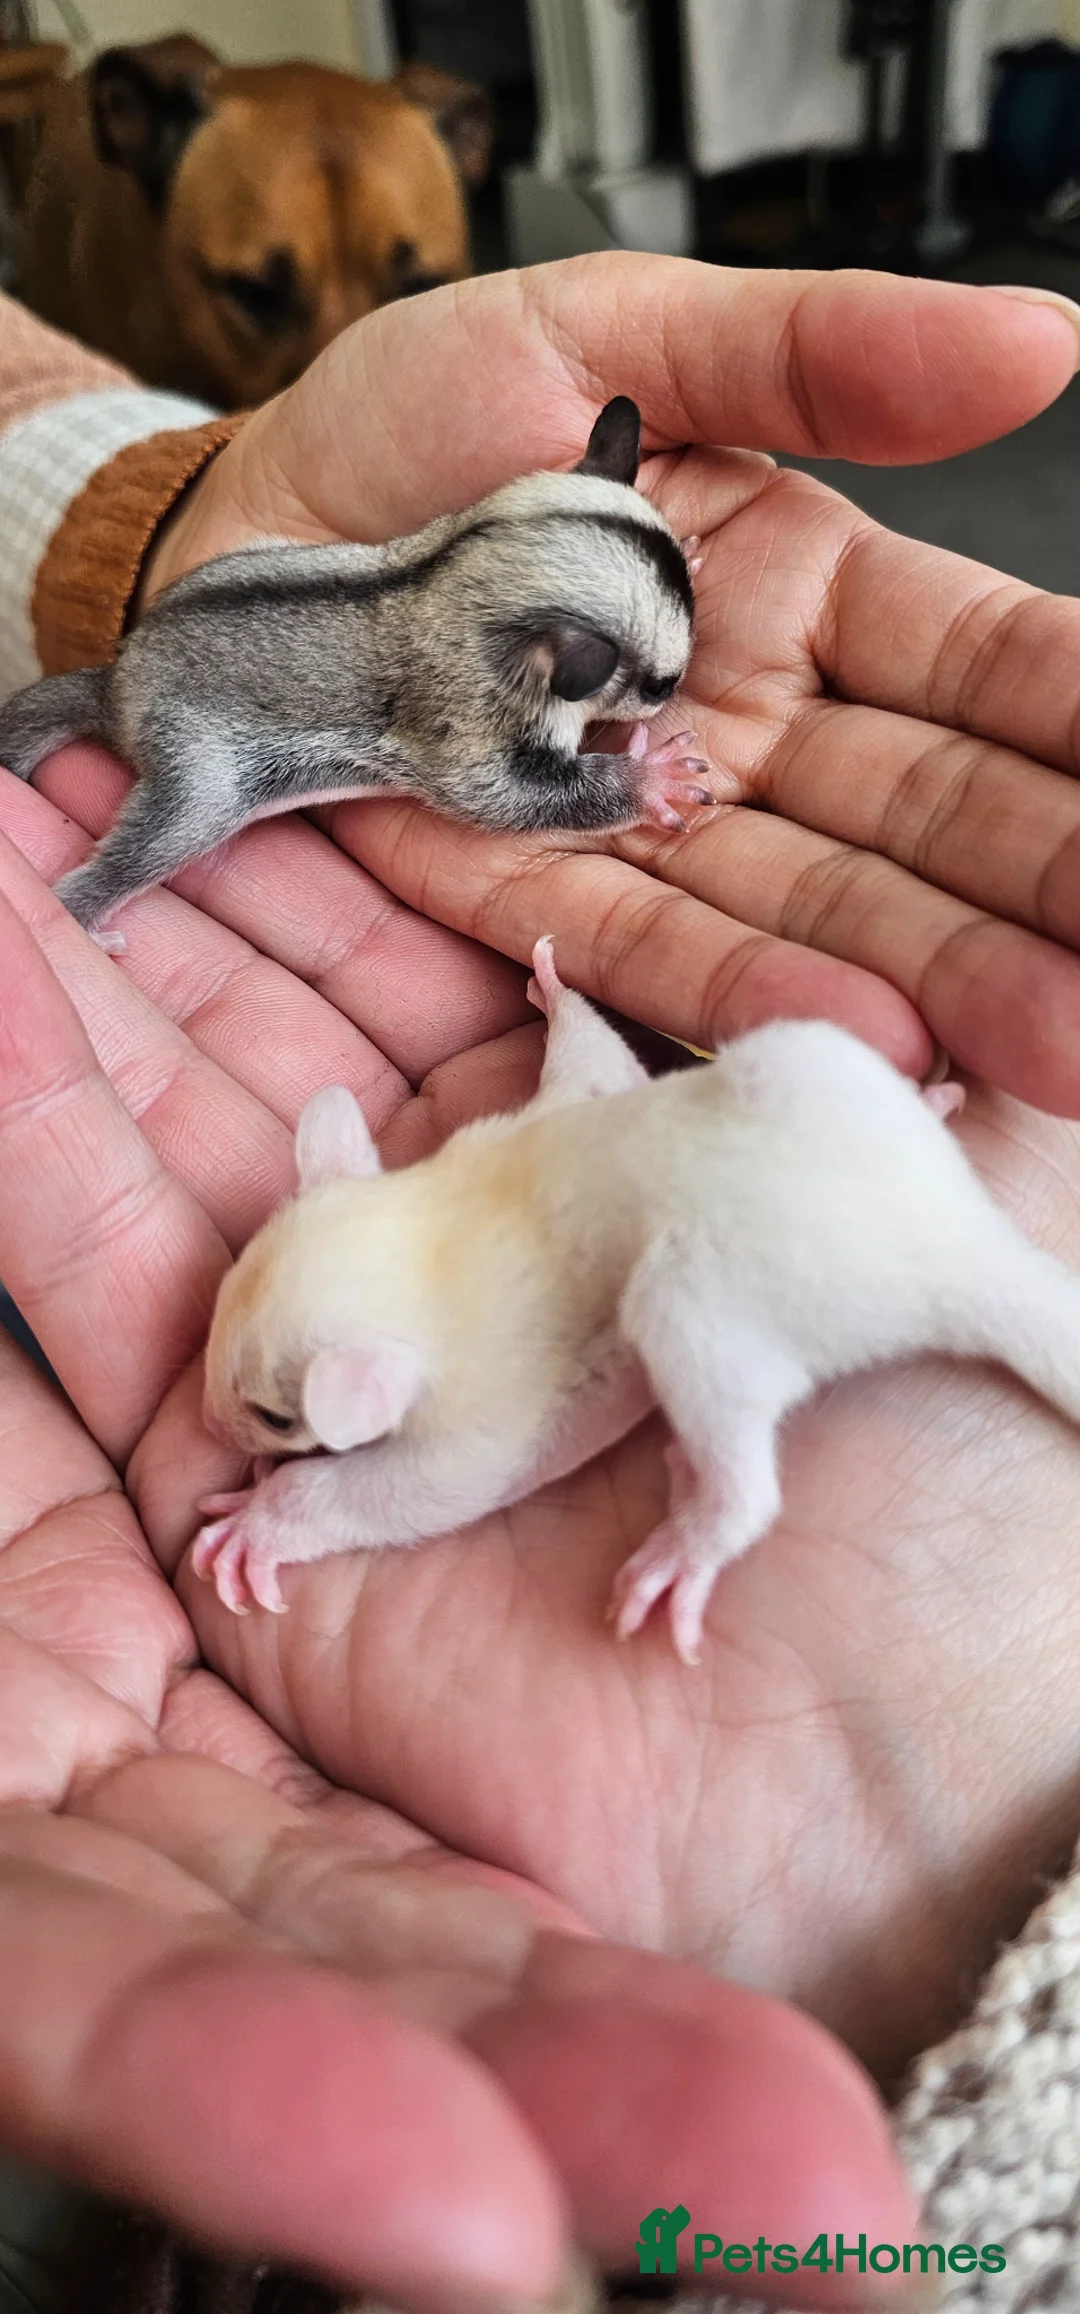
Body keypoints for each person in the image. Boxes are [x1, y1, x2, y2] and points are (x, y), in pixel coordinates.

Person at [1, 252, 1080, 2310]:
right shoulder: (442, 1217)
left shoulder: (434, 1275)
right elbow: (536, 1004)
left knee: (680, 1283)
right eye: (614, 687)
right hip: (812, 1137)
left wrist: (301, 1496)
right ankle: (91, 868)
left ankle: (728, 1496)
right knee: (701, 1135)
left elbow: (446, 1419)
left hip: (783, 1221)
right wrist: (577, 971)